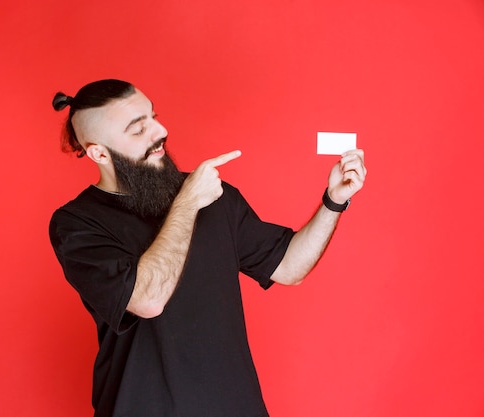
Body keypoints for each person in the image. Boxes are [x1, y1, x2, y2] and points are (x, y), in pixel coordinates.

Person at [49, 79, 367, 417]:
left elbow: (289, 268)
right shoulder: (77, 224)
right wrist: (187, 203)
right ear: (99, 152)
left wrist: (334, 201)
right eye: (138, 129)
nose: (160, 131)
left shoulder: (214, 196)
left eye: (154, 117)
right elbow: (147, 299)